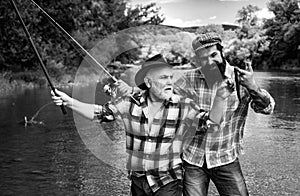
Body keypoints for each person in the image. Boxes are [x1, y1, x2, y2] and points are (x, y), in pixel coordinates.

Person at [51, 54, 234, 196]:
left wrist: (219, 98)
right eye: (163, 78)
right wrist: (68, 101)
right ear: (148, 82)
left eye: (171, 77)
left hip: (167, 182)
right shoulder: (130, 102)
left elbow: (211, 122)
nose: (170, 82)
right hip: (138, 181)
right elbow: (100, 113)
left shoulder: (183, 105)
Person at [175, 32, 275, 196]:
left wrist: (253, 87)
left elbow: (267, 108)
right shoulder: (187, 79)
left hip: (226, 156)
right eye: (203, 58)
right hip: (193, 157)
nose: (210, 62)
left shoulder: (240, 78)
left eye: (214, 54)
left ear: (222, 52)